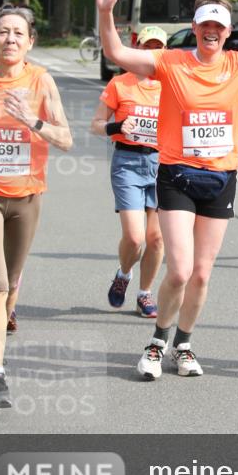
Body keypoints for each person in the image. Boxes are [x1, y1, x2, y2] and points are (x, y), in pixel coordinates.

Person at [91, 0, 238, 380]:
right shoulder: (171, 62)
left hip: (220, 179)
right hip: (177, 176)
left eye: (218, 26)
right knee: (180, 271)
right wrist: (105, 12)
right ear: (194, 28)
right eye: (205, 24)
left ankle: (184, 345)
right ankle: (157, 343)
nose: (211, 31)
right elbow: (116, 52)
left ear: (227, 32)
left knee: (202, 275)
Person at [0, 6, 72, 414]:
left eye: (18, 33)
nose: (10, 38)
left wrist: (31, 121)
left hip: (27, 197)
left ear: (30, 41)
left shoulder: (42, 80)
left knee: (11, 282)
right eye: (3, 32)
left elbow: (66, 139)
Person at [90, 25, 166, 318]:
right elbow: (96, 125)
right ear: (138, 48)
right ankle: (124, 273)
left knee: (156, 239)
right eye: (148, 46)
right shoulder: (119, 84)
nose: (152, 52)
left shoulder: (171, 85)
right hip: (128, 163)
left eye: (158, 47)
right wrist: (117, 126)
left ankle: (145, 294)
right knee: (135, 238)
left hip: (162, 164)